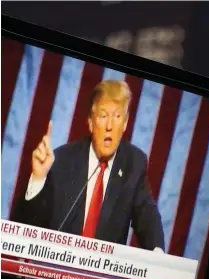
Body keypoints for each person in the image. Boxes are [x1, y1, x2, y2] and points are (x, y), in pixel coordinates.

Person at [12, 80, 165, 252]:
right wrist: (38, 178)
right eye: (103, 116)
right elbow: (23, 228)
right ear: (91, 123)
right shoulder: (61, 160)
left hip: (102, 276)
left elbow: (147, 216)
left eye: (117, 116)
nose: (109, 126)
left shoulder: (133, 164)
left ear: (125, 123)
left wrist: (157, 253)